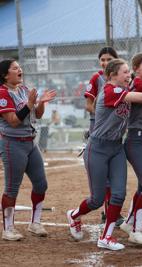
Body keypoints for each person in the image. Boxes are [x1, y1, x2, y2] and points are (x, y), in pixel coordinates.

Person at [66, 58, 142, 250]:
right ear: (112, 76)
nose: (129, 75)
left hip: (116, 148)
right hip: (98, 148)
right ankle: (74, 215)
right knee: (97, 199)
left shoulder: (124, 90)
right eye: (125, 72)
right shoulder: (110, 90)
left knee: (118, 194)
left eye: (128, 72)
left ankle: (106, 237)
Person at [0, 59, 56, 240]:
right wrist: (30, 104)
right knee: (12, 188)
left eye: (19, 67)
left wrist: (41, 103)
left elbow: (37, 115)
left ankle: (35, 223)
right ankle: (8, 228)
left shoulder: (24, 90)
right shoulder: (2, 93)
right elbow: (13, 121)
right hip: (13, 143)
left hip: (31, 143)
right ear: (5, 75)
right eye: (15, 68)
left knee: (41, 184)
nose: (19, 70)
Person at [82, 47, 123, 225]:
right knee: (104, 176)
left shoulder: (122, 78)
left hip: (115, 131)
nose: (105, 63)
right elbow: (88, 104)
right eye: (102, 59)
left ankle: (112, 210)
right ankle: (108, 212)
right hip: (99, 127)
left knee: (115, 175)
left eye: (109, 59)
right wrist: (101, 116)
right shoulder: (97, 77)